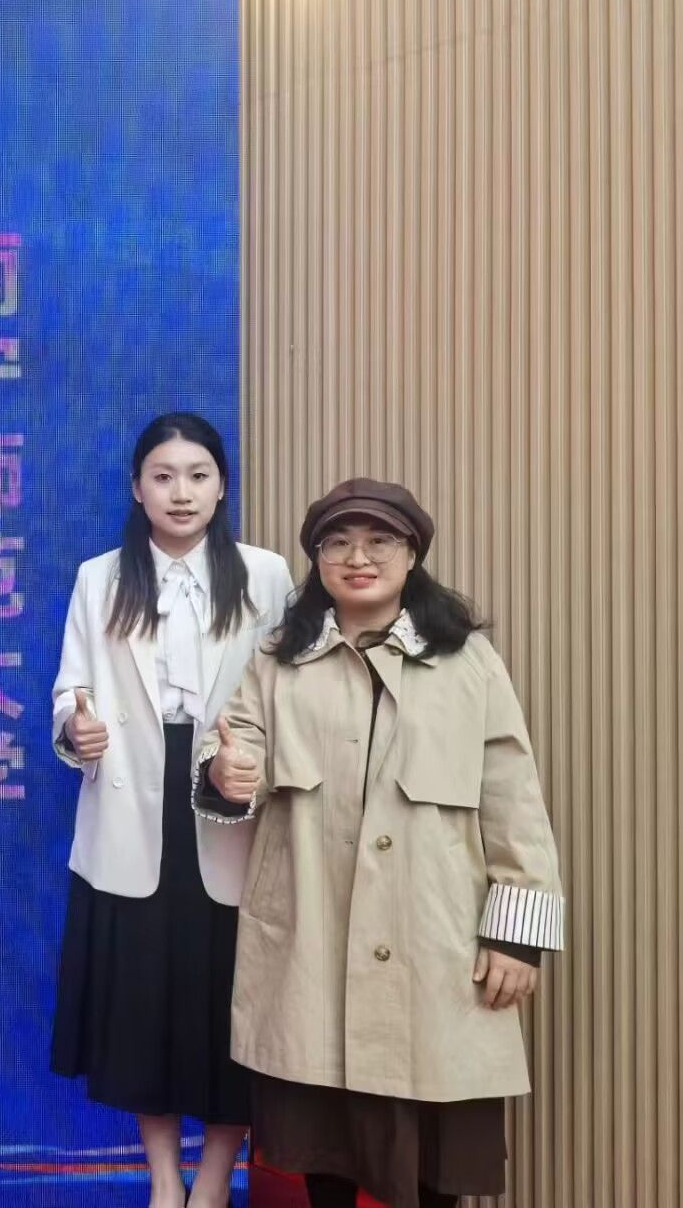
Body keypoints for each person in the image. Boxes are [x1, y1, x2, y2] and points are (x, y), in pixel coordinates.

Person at [201, 477, 565, 1208]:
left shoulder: (467, 660)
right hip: (312, 942)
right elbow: (235, 749)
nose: (357, 557)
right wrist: (224, 770)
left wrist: (517, 939)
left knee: (437, 1157)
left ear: (412, 554)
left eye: (379, 541)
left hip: (437, 945)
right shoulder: (278, 658)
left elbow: (514, 796)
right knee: (322, 1146)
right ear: (317, 560)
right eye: (337, 542)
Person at [50, 412, 293, 1208]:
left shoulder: (265, 575)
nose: (180, 492)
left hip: (229, 805)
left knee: (231, 1007)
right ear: (137, 487)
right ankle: (164, 1178)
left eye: (197, 475)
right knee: (140, 1008)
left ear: (222, 487)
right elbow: (70, 689)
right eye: (163, 475)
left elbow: (291, 698)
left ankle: (215, 1178)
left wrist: (248, 762)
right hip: (131, 806)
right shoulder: (100, 578)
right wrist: (75, 730)